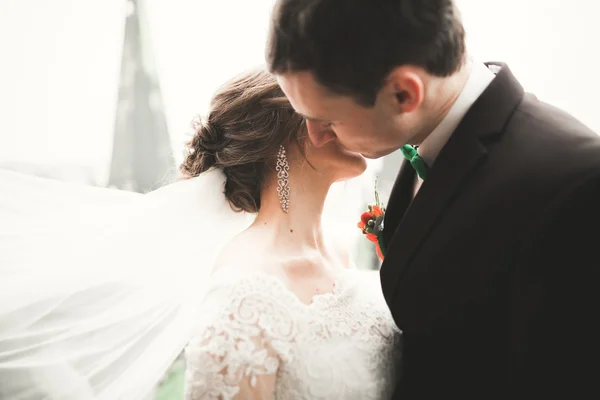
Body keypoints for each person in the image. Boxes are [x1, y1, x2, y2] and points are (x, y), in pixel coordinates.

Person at [267, 0, 600, 398]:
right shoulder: (422, 144)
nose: (316, 136)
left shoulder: (576, 185)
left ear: (404, 93)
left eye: (327, 119)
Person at [0, 69, 401, 400]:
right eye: (328, 111)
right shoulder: (244, 293)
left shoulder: (342, 255)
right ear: (283, 142)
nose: (353, 120)